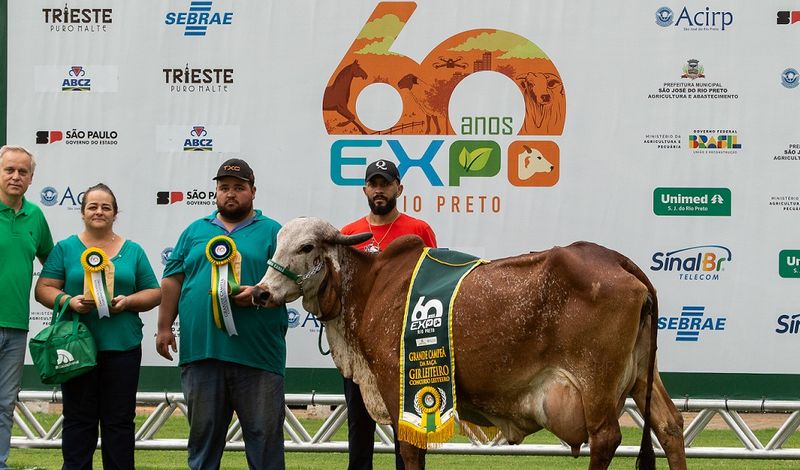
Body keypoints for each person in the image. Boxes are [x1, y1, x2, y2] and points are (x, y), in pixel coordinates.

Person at [156, 158, 287, 470]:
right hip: (202, 354)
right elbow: (173, 281)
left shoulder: (274, 233)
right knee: (203, 446)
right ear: (215, 192)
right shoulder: (194, 232)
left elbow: (288, 284)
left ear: (253, 191)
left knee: (265, 445)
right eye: (224, 188)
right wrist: (163, 327)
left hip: (258, 358)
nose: (231, 194)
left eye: (239, 188)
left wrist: (257, 295)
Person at [34, 183, 161, 470]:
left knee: (119, 422)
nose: (99, 211)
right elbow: (43, 289)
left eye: (106, 207)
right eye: (92, 206)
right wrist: (69, 300)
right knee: (79, 421)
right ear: (82, 212)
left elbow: (154, 293)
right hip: (76, 350)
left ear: (115, 213)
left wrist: (127, 302)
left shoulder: (133, 251)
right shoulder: (65, 249)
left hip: (123, 349)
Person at [340, 159, 436, 470]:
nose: (379, 190)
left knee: (408, 432)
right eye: (374, 184)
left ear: (399, 188)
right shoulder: (349, 233)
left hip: (406, 348)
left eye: (386, 183)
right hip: (360, 350)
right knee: (359, 429)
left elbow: (434, 284)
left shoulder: (418, 230)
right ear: (365, 189)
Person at [0, 145, 53, 470]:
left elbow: (52, 264)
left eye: (23, 172)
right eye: (9, 170)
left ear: (32, 178)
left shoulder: (35, 215)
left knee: (5, 403)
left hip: (17, 328)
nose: (16, 176)